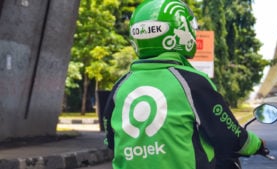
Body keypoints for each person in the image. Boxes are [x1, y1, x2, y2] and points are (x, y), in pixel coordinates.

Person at [103, 0, 268, 169]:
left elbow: (111, 141)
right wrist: (256, 144)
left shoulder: (120, 87)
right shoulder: (192, 82)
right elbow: (229, 136)